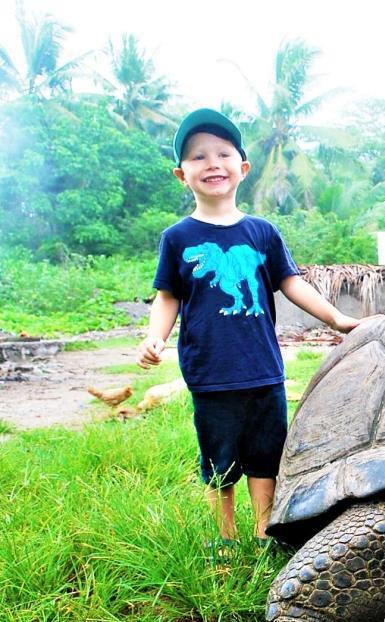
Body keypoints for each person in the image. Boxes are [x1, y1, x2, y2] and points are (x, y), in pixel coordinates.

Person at [137, 108, 361, 546]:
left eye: (223, 154)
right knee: (218, 460)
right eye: (198, 156)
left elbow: (292, 282)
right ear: (181, 174)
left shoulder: (262, 232)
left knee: (265, 457)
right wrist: (155, 337)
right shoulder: (177, 238)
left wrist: (336, 318)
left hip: (263, 369)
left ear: (242, 168)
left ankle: (264, 532)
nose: (212, 163)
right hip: (209, 373)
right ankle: (224, 538)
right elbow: (167, 295)